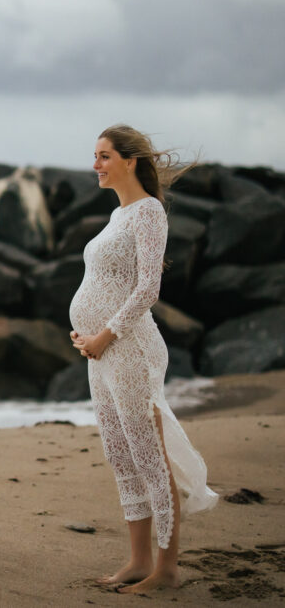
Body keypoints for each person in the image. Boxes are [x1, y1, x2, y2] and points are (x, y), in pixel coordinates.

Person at [68, 124, 218, 594]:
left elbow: (147, 289)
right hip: (102, 350)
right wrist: (88, 336)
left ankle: (167, 569)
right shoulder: (118, 216)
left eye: (104, 155)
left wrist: (106, 334)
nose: (96, 164)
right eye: (95, 155)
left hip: (130, 347)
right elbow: (108, 284)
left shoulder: (148, 212)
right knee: (119, 454)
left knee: (147, 455)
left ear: (130, 161)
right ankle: (137, 560)